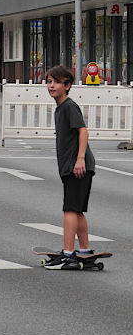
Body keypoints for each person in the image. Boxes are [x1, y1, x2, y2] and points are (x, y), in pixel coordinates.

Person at [44, 65, 96, 270]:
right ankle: (84, 251)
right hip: (74, 166)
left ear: (67, 86)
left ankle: (68, 254)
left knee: (70, 209)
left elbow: (83, 131)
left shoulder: (68, 106)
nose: (51, 86)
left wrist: (80, 159)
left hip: (77, 166)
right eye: (49, 82)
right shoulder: (61, 107)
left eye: (56, 82)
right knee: (77, 210)